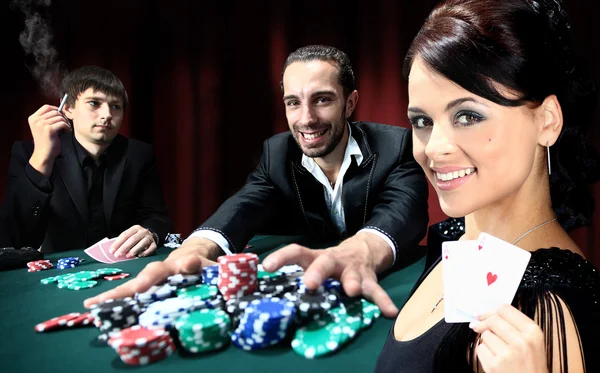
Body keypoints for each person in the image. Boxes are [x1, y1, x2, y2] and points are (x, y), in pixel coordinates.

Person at [84, 45, 429, 316]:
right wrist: (192, 250)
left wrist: (360, 252)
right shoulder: (276, 153)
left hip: (390, 291)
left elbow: (404, 212)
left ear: (350, 103)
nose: (306, 119)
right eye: (293, 102)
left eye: (322, 100)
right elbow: (243, 207)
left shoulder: (396, 145)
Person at [373, 0, 600, 371]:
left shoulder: (545, 310)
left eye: (467, 115)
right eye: (422, 121)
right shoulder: (452, 239)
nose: (434, 148)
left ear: (546, 121)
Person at [1, 66, 172, 257]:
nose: (107, 114)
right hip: (58, 273)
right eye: (94, 103)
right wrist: (42, 159)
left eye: (115, 106)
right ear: (67, 108)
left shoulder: (139, 154)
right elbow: (12, 239)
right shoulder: (29, 152)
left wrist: (151, 233)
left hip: (123, 267)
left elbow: (157, 217)